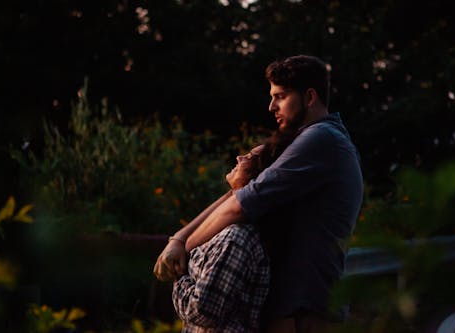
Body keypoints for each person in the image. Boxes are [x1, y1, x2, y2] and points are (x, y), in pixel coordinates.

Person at [155, 55, 364, 333]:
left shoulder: (320, 139)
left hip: (305, 310)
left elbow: (239, 205)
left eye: (280, 96)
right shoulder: (304, 140)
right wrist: (178, 239)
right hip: (294, 306)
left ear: (310, 96)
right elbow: (238, 194)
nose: (271, 106)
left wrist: (182, 253)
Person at [171, 135, 294, 333]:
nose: (239, 157)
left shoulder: (237, 239)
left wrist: (178, 275)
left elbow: (202, 311)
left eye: (250, 157)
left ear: (260, 179)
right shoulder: (228, 230)